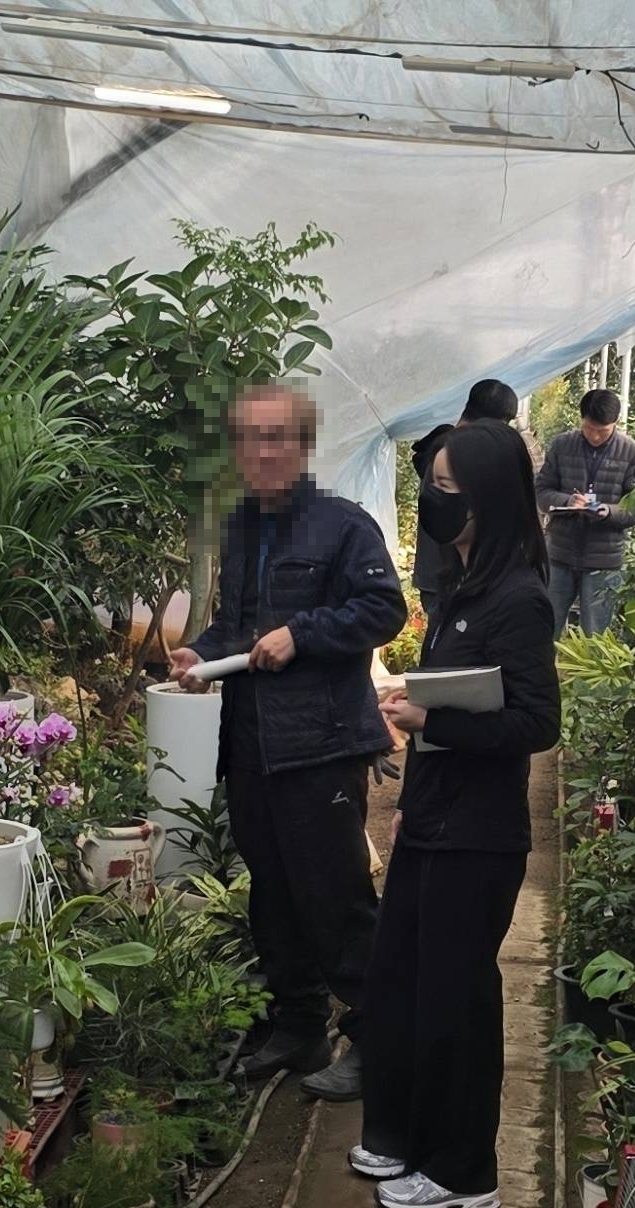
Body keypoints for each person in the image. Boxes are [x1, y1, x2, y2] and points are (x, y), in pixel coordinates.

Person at [169, 383, 406, 1103]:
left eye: (276, 437)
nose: (261, 452)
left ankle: (379, 1040)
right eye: (248, 438)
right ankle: (298, 1026)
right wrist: (201, 652)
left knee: (335, 898)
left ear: (302, 446)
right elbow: (237, 627)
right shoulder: (242, 528)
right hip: (251, 746)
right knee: (272, 895)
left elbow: (383, 610)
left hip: (318, 746)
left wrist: (303, 634)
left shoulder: (342, 525)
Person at [351, 420, 561, 1208]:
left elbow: (536, 722)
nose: (431, 503)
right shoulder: (463, 585)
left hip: (478, 835)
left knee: (455, 997)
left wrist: (429, 722)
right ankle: (404, 1135)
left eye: (445, 490)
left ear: (487, 499)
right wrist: (410, 797)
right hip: (434, 819)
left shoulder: (518, 599)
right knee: (399, 978)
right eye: (429, 487)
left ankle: (463, 1171)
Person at [534, 388, 635, 637]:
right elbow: (542, 491)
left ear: (615, 424)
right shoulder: (563, 445)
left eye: (602, 431)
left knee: (596, 634)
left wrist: (608, 511)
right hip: (560, 553)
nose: (595, 436)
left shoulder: (631, 453)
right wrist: (567, 501)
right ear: (581, 419)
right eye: (588, 428)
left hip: (604, 560)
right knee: (544, 627)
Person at [412, 379, 520, 621]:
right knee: (455, 641)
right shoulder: (460, 453)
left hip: (441, 573)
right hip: (453, 574)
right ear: (495, 423)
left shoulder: (446, 445)